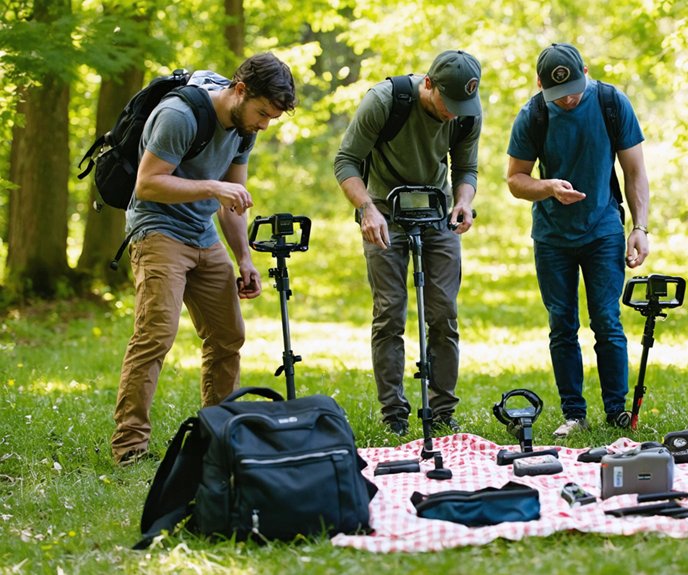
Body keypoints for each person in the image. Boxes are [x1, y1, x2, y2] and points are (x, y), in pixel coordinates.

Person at [111, 53, 297, 466]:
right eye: (263, 113)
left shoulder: (245, 129)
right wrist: (211, 187)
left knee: (228, 335)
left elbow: (234, 199)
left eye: (272, 118)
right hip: (157, 229)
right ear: (241, 90)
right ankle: (129, 446)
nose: (264, 125)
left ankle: (218, 433)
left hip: (202, 232)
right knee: (156, 335)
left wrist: (245, 258)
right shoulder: (180, 115)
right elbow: (147, 184)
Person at [333, 50, 482, 436]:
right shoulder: (385, 101)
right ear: (428, 84)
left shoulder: (467, 111)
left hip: (438, 210)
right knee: (390, 312)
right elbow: (346, 160)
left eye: (462, 105)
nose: (454, 113)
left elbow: (465, 167)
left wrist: (464, 202)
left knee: (444, 312)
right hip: (384, 207)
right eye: (448, 104)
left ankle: (443, 409)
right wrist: (366, 209)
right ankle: (393, 414)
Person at [507, 43, 651, 437]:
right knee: (562, 323)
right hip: (552, 235)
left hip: (603, 227)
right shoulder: (533, 114)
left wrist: (639, 228)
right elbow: (516, 179)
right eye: (558, 93)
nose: (569, 98)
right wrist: (549, 187)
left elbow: (635, 170)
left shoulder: (610, 102)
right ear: (539, 85)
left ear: (585, 71)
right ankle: (574, 412)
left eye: (574, 87)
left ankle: (616, 410)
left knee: (606, 318)